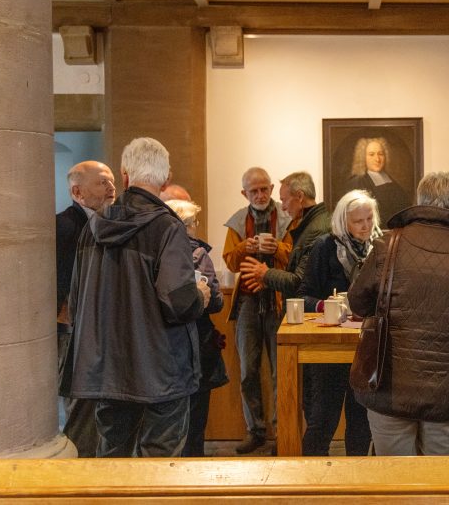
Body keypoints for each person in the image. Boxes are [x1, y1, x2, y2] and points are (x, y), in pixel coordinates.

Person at [65, 137, 211, 457]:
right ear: (167, 178)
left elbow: (77, 303)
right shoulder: (167, 228)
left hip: (108, 373)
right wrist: (200, 294)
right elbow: (178, 303)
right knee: (160, 465)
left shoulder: (93, 227)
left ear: (125, 175)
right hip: (161, 372)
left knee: (112, 459)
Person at [348, 171, 449, 456]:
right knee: (440, 486)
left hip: (389, 386)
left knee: (395, 484)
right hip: (448, 393)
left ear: (420, 201)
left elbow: (358, 304)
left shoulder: (386, 246)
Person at [296, 189, 381, 456]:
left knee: (361, 423)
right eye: (358, 221)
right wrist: (326, 305)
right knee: (323, 421)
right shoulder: (325, 246)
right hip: (328, 348)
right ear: (343, 221)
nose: (366, 226)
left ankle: (354, 487)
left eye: (369, 218)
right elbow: (302, 296)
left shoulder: (381, 247)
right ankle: (311, 485)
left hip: (366, 346)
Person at [222, 167, 292, 454]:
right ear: (244, 194)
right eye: (254, 191)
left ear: (273, 188)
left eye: (265, 189)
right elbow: (229, 261)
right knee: (248, 371)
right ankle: (256, 430)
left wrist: (276, 248)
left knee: (281, 371)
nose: (261, 195)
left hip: (279, 301)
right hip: (249, 301)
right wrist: (244, 248)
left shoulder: (288, 218)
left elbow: (297, 258)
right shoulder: (237, 222)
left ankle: (283, 433)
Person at [56, 160, 116, 458]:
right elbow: (59, 283)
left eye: (112, 180)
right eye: (102, 182)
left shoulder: (110, 223)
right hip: (74, 335)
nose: (111, 187)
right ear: (77, 191)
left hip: (98, 332)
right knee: (81, 410)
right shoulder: (66, 226)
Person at [165, 199, 228, 458]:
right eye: (194, 223)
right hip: (197, 347)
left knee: (169, 425)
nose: (196, 227)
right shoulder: (198, 254)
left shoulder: (158, 253)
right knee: (195, 424)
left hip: (165, 348)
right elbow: (215, 302)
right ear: (187, 226)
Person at [240, 171, 332, 300]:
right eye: (254, 191)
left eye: (284, 200)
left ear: (300, 196)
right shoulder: (312, 223)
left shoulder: (315, 230)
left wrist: (265, 273)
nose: (282, 207)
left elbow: (299, 282)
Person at [345, 137, 409, 226]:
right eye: (371, 154)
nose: (377, 159)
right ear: (363, 158)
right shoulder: (357, 182)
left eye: (380, 154)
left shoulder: (390, 180)